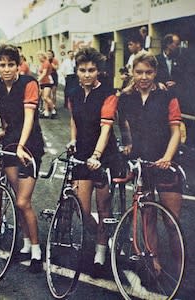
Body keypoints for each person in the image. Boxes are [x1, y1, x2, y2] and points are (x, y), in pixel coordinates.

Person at [117, 52, 183, 275]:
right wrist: (127, 145)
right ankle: (154, 260)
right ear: (132, 73)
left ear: (155, 72)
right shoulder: (125, 98)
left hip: (165, 164)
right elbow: (123, 124)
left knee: (171, 221)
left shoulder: (167, 96)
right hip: (141, 164)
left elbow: (176, 132)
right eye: (139, 72)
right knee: (148, 216)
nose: (144, 77)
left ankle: (180, 261)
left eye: (149, 72)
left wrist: (167, 157)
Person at [0, 44, 45, 273]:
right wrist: (3, 131)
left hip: (29, 145)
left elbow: (29, 117)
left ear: (18, 65)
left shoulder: (29, 83)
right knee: (17, 200)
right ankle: (24, 245)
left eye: (10, 64)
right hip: (9, 144)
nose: (6, 69)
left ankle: (36, 251)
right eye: (2, 65)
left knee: (23, 202)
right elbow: (1, 114)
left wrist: (22, 145)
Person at [66, 47, 119, 277]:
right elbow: (73, 119)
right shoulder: (74, 92)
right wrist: (72, 140)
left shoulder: (107, 94)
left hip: (103, 155)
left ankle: (100, 252)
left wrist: (97, 156)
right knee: (82, 208)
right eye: (82, 70)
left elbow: (106, 129)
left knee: (103, 206)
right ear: (77, 71)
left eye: (91, 70)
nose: (87, 74)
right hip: (81, 153)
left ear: (98, 71)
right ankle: (102, 233)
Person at [36, 50, 55, 118]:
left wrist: (37, 80)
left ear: (42, 56)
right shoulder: (42, 63)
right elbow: (39, 72)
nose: (38, 58)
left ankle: (53, 110)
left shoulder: (46, 63)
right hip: (43, 82)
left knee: (46, 97)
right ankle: (46, 112)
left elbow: (44, 73)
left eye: (39, 56)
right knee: (44, 98)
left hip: (47, 81)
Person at [47, 49, 60, 117]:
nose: (49, 55)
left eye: (50, 54)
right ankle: (49, 105)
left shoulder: (55, 60)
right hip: (48, 76)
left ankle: (54, 105)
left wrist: (51, 63)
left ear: (52, 54)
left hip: (54, 76)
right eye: (48, 54)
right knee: (48, 92)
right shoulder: (46, 60)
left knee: (53, 92)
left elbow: (56, 68)